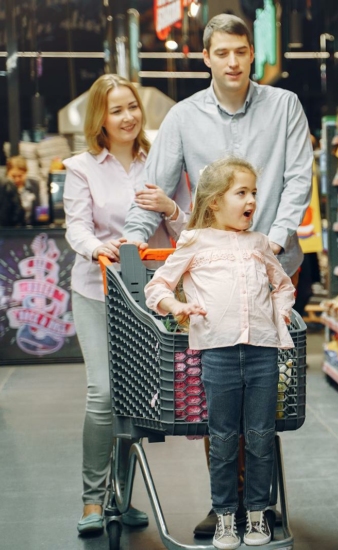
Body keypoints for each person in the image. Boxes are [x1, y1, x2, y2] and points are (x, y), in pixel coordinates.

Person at [123, 13, 313, 537]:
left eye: (242, 51)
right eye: (222, 52)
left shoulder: (285, 106)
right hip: (208, 276)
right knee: (218, 394)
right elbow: (154, 189)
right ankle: (225, 504)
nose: (233, 61)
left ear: (253, 54)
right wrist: (129, 244)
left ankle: (258, 502)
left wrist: (270, 241)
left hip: (272, 262)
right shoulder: (184, 118)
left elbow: (299, 177)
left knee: (266, 394)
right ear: (205, 57)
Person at [144, 156, 295, 550]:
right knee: (225, 438)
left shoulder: (260, 244)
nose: (251, 201)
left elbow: (282, 286)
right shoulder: (195, 242)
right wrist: (177, 307)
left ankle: (258, 512)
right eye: (241, 192)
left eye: (254, 193)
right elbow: (157, 286)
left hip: (263, 352)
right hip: (217, 353)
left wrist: (278, 316)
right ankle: (226, 517)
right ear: (214, 202)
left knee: (261, 437)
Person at [63, 73, 188, 536]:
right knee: (104, 394)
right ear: (100, 116)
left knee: (134, 399)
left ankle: (122, 497)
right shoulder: (81, 167)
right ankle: (93, 500)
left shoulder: (161, 163)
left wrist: (170, 207)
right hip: (97, 291)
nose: (128, 116)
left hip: (146, 298)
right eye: (116, 109)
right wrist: (96, 245)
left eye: (132, 106)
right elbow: (75, 226)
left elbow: (188, 230)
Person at [5, 155, 42, 225]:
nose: (17, 179)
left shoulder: (34, 185)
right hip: (10, 228)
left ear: (26, 172)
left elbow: (38, 208)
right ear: (7, 174)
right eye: (13, 176)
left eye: (20, 176)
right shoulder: (4, 188)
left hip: (31, 227)